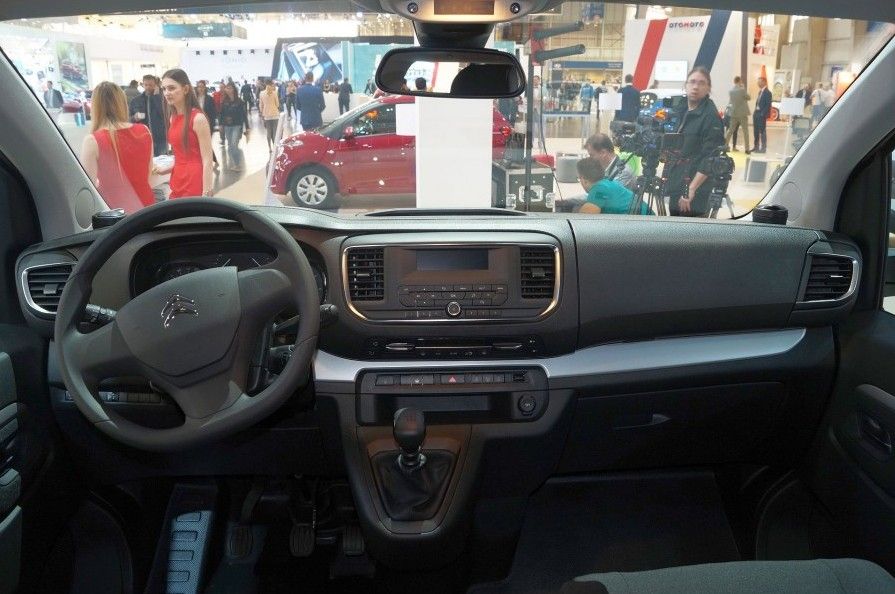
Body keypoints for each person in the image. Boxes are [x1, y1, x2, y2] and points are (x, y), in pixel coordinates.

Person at [79, 81, 154, 213]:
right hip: (145, 208)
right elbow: (147, 175)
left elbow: (87, 189)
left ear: (95, 107)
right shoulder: (144, 131)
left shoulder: (93, 141)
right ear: (122, 103)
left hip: (114, 212)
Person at [662, 66, 725, 217]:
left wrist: (691, 189)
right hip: (677, 182)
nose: (696, 87)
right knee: (673, 226)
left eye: (701, 83)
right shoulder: (682, 110)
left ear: (708, 88)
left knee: (690, 229)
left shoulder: (710, 116)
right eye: (692, 82)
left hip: (695, 190)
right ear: (686, 85)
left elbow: (710, 157)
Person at [153, 69, 214, 198]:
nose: (167, 93)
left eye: (171, 88)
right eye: (164, 89)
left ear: (185, 89)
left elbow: (207, 159)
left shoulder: (198, 118)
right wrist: (166, 170)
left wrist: (207, 190)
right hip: (178, 177)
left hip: (194, 180)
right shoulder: (173, 117)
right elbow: (181, 156)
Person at [576, 158, 650, 215]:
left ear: (584, 179)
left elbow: (584, 219)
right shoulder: (608, 182)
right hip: (646, 221)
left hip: (644, 225)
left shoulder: (599, 188)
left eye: (579, 178)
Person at [129, 74, 167, 156]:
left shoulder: (163, 99)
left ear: (156, 85)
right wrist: (134, 118)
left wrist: (156, 97)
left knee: (161, 161)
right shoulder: (135, 101)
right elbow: (128, 120)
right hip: (142, 138)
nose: (148, 87)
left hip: (160, 139)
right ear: (142, 85)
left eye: (151, 85)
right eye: (146, 85)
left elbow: (164, 114)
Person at [219, 81, 249, 171]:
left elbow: (244, 115)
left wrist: (247, 127)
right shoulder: (224, 101)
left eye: (229, 88)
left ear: (233, 90)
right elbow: (221, 114)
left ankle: (237, 164)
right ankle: (235, 163)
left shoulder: (240, 101)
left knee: (234, 145)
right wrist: (221, 124)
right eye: (227, 88)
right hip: (227, 126)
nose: (227, 90)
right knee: (230, 146)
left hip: (237, 125)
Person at [724, 76, 751, 153]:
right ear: (739, 81)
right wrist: (743, 88)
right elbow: (749, 97)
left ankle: (725, 145)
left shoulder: (731, 91)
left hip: (733, 113)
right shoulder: (742, 90)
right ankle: (747, 149)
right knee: (745, 131)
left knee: (730, 130)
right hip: (742, 113)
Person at [259, 80, 280, 151]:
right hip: (275, 114)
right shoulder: (274, 92)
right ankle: (275, 147)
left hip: (266, 115)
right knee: (275, 132)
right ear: (271, 84)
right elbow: (277, 104)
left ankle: (269, 148)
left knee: (268, 132)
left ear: (265, 84)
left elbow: (261, 105)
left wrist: (261, 113)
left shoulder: (261, 93)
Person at [753, 76, 772, 153]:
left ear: (764, 82)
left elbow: (768, 105)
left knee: (762, 131)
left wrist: (762, 114)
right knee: (756, 131)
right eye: (758, 82)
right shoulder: (760, 92)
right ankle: (756, 147)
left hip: (761, 115)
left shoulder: (768, 93)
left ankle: (763, 148)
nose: (758, 83)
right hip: (756, 114)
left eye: (759, 82)